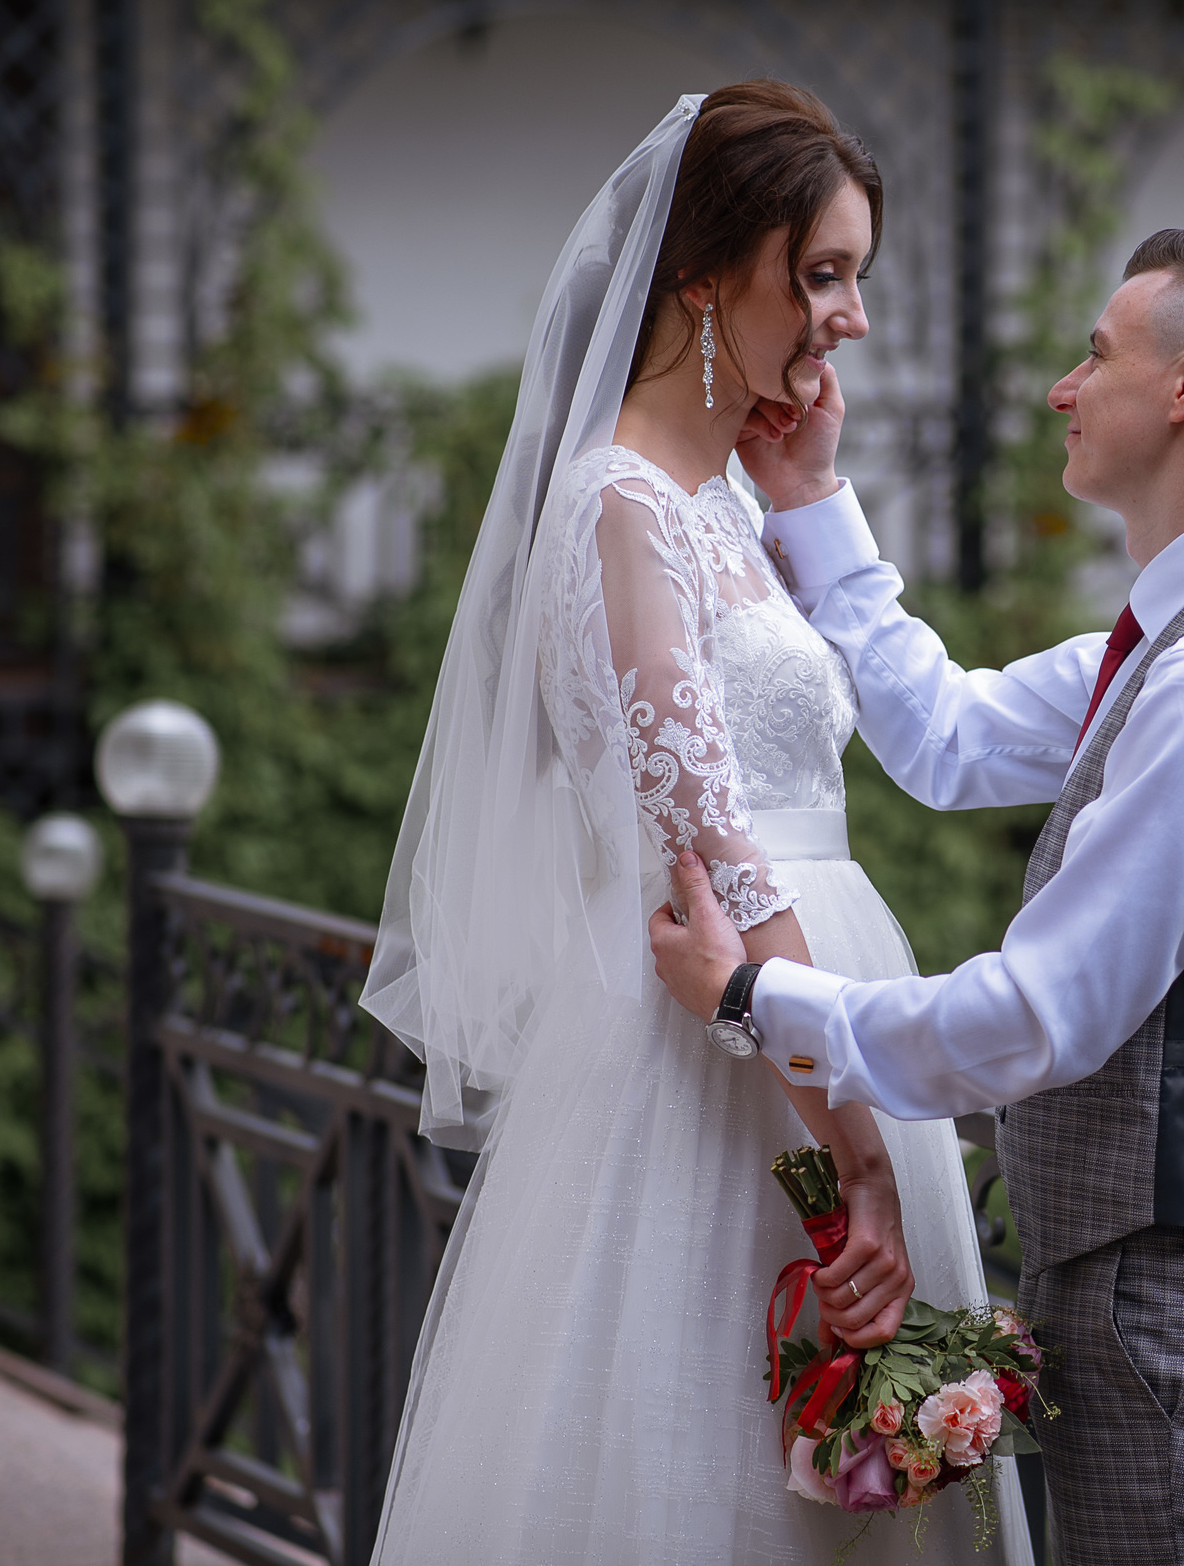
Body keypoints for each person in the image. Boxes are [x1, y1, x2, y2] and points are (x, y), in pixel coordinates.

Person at [358, 83, 1030, 1562]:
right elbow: (718, 855)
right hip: (733, 1055)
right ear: (705, 272)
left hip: (799, 1022)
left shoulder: (718, 496)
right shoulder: (620, 505)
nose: (851, 317)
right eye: (826, 273)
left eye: (860, 276)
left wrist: (806, 494)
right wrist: (853, 1150)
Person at [652, 228, 1184, 1566]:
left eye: (1096, 354)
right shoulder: (1180, 637)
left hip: (1174, 1298)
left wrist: (756, 995)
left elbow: (1044, 1012)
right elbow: (951, 737)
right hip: (1143, 1275)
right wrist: (811, 498)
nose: (1062, 386)